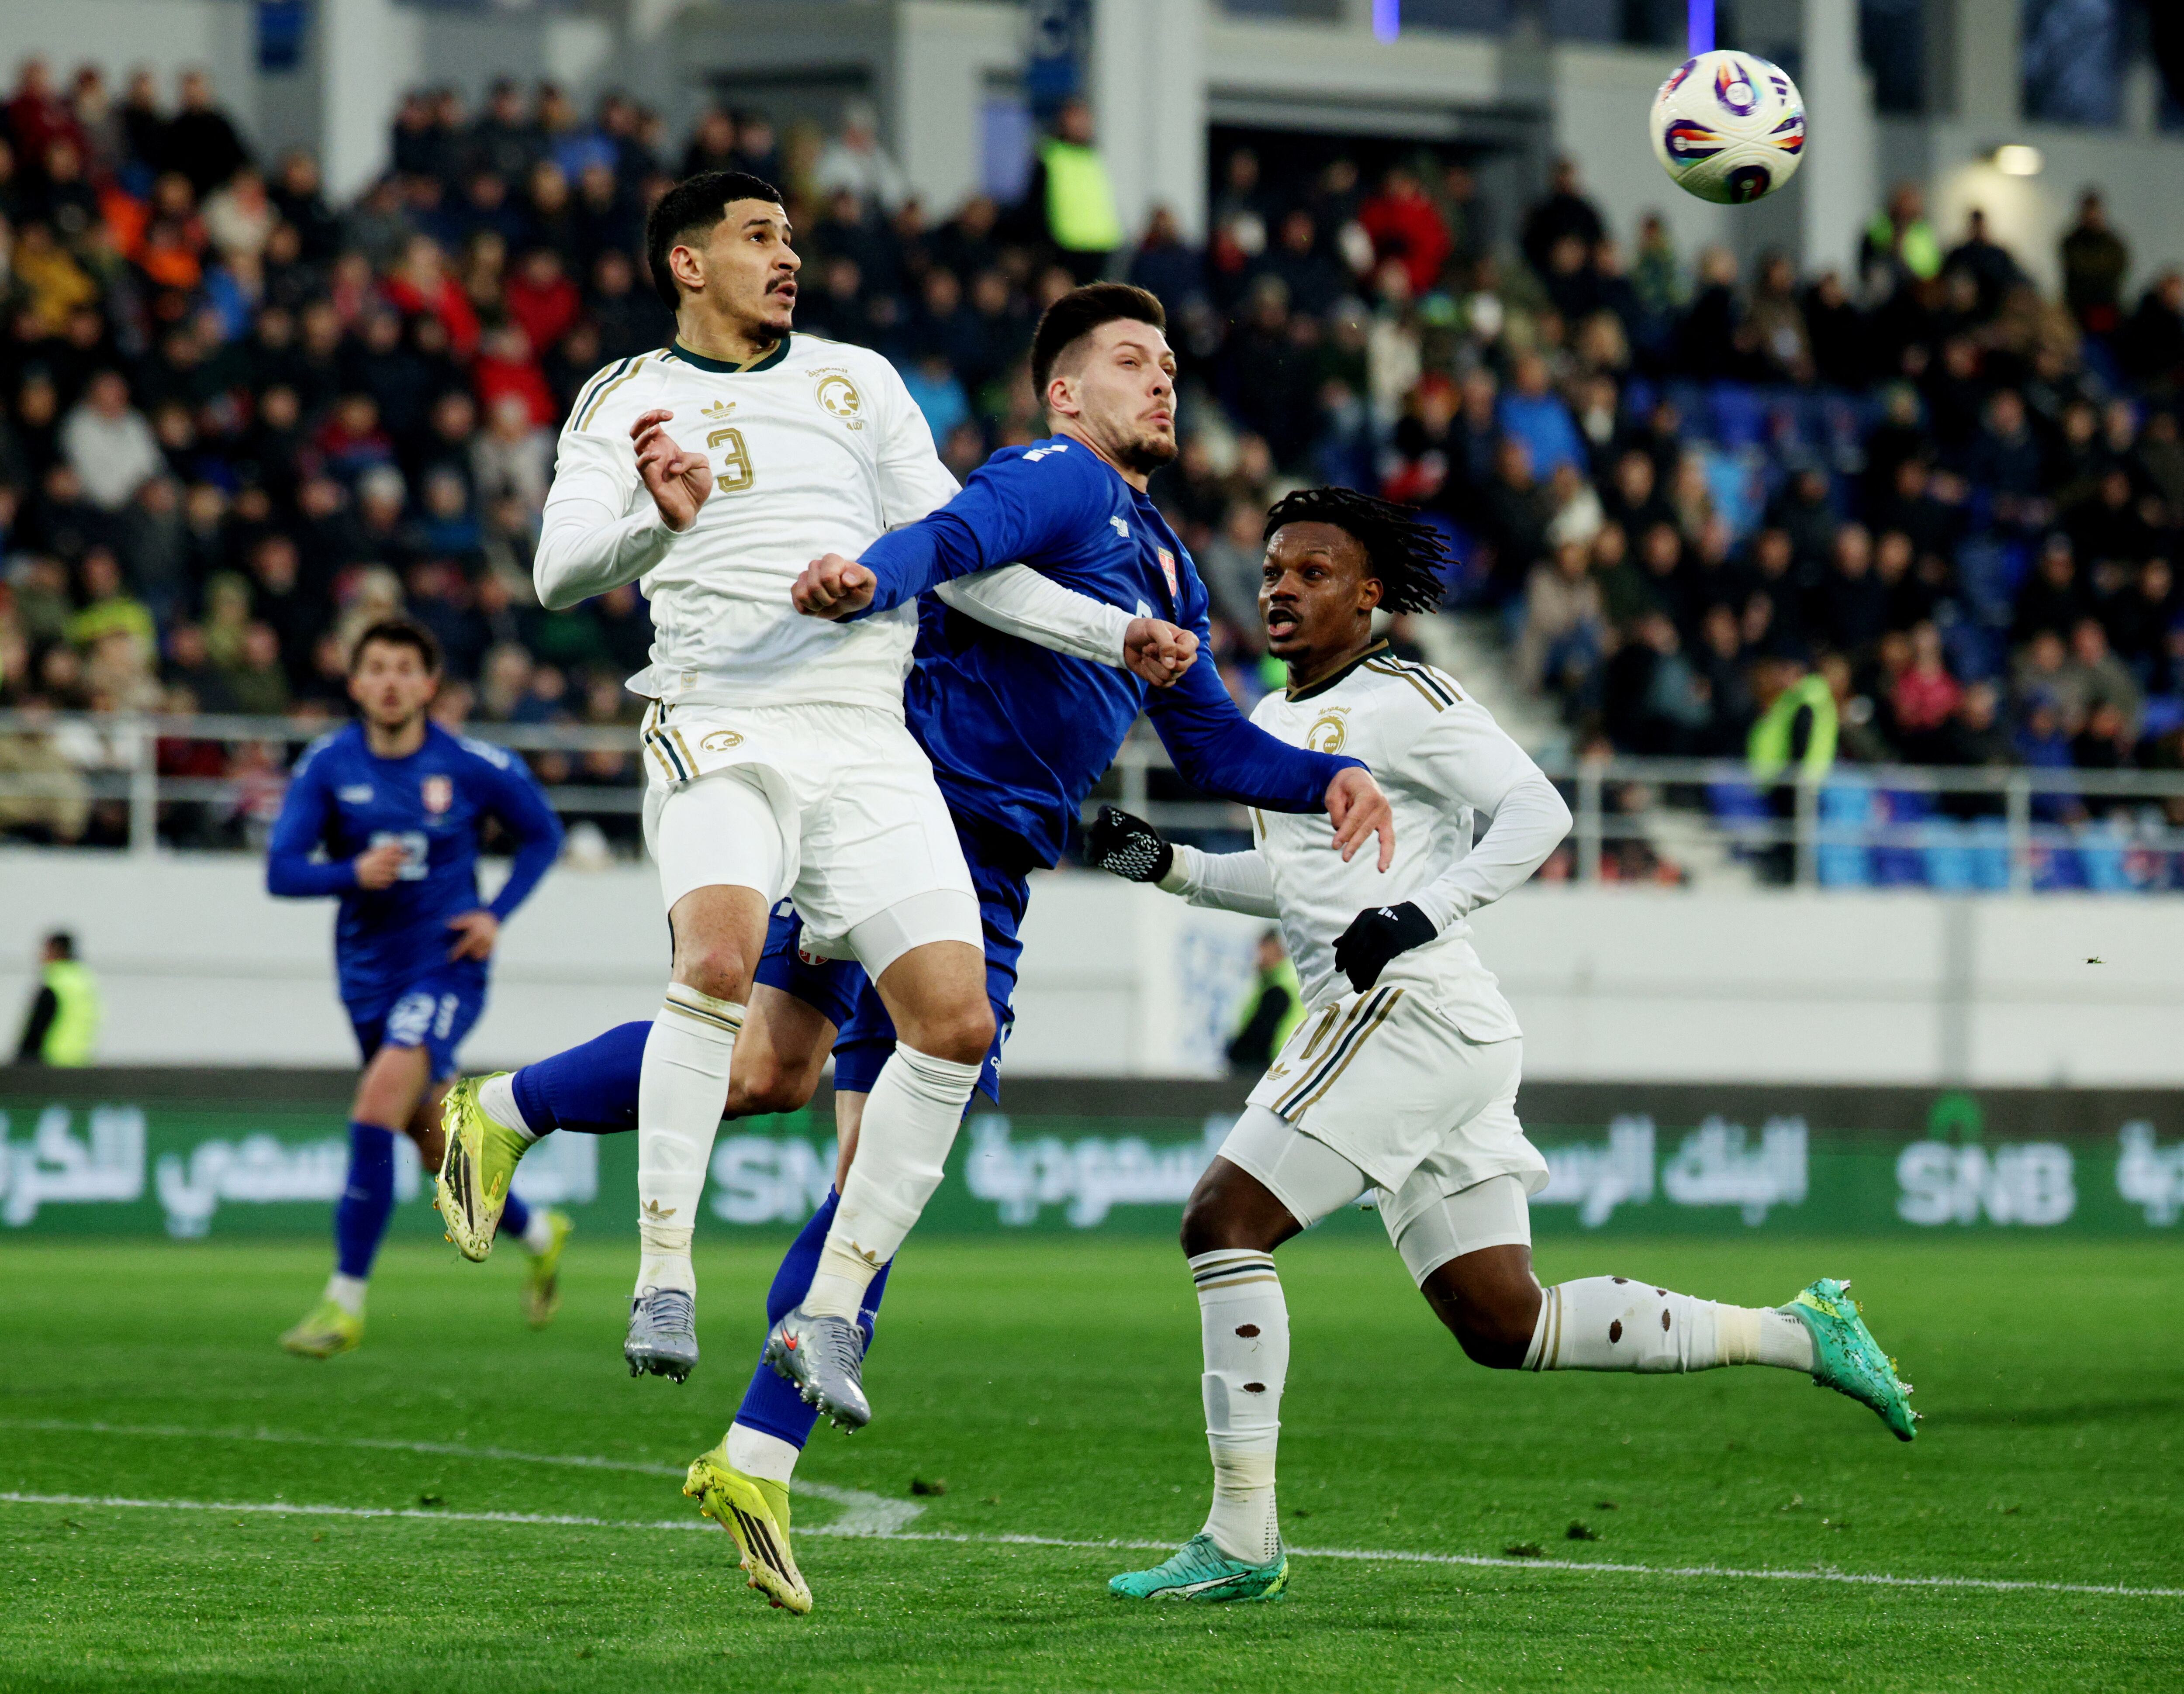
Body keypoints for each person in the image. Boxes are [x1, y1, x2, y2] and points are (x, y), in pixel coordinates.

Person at [435, 280, 1393, 1615]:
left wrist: (1321, 785)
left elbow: (1216, 744)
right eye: (1131, 361)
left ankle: (705, 1391)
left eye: (1170, 363)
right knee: (847, 1110)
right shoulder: (1057, 479)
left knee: (793, 1096)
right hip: (903, 813)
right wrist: (866, 578)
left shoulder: (1167, 559)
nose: (1160, 381)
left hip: (989, 861)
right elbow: (949, 534)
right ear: (1064, 392)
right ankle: (739, 1424)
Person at [1082, 487, 1918, 1604]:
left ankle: (1241, 1537)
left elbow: (1538, 812)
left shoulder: (1407, 697)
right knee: (1501, 1320)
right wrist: (1167, 866)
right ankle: (1798, 1333)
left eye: (1313, 570)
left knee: (1221, 1223)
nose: (1281, 587)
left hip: (1408, 1009)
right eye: (1274, 569)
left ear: (1369, 596)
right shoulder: (1273, 730)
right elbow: (1300, 888)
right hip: (1432, 1028)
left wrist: (1421, 915)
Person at [483, 180, 1212, 1403]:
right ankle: (665, 1270)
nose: (789, 256)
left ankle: (829, 1312)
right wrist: (655, 529)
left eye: (790, 236)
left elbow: (964, 567)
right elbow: (558, 572)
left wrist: (1112, 633)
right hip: (720, 715)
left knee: (951, 1024)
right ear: (687, 262)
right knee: (716, 971)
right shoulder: (626, 394)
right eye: (759, 237)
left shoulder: (859, 382)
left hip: (869, 742)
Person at [265, 619, 570, 1359]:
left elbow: (543, 834)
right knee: (436, 1142)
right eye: (378, 667)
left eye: (407, 667)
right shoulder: (329, 764)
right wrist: (349, 873)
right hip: (366, 975)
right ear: (357, 681)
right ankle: (538, 1229)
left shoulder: (469, 762)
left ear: (430, 684)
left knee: (375, 1104)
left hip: (444, 967)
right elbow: (281, 868)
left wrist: (494, 914)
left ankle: (343, 1302)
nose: (393, 680)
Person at [14, 931, 102, 1066]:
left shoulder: (56, 984)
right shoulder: (85, 983)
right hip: (81, 1064)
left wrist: (20, 1065)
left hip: (51, 1065)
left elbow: (36, 1032)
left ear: (56, 951)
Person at [1225, 930, 1302, 1074]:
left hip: (1281, 1062)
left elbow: (1261, 1031)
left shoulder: (1282, 986)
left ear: (1276, 949)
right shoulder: (1266, 983)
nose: (1259, 958)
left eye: (1263, 950)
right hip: (1279, 1062)